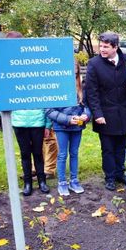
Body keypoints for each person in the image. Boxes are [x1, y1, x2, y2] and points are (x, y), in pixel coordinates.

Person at [0, 31, 51, 196]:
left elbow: (46, 96)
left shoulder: (34, 67)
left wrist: (48, 124)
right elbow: (5, 96)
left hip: (37, 120)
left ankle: (42, 181)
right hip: (19, 121)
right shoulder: (7, 67)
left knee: (38, 152)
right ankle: (28, 183)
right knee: (24, 153)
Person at [85, 31, 126, 191]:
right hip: (105, 114)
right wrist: (97, 114)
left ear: (115, 47)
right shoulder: (94, 64)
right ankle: (109, 177)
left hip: (123, 113)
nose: (101, 49)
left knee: (121, 146)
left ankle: (119, 173)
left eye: (106, 47)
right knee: (108, 148)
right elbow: (91, 92)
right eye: (101, 46)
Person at [45, 61, 91, 196]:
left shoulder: (82, 87)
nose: (73, 73)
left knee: (74, 153)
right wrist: (67, 119)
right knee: (62, 154)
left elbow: (87, 106)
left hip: (77, 126)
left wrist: (85, 116)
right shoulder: (55, 87)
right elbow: (49, 110)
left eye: (75, 71)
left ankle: (74, 180)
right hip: (61, 126)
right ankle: (62, 182)